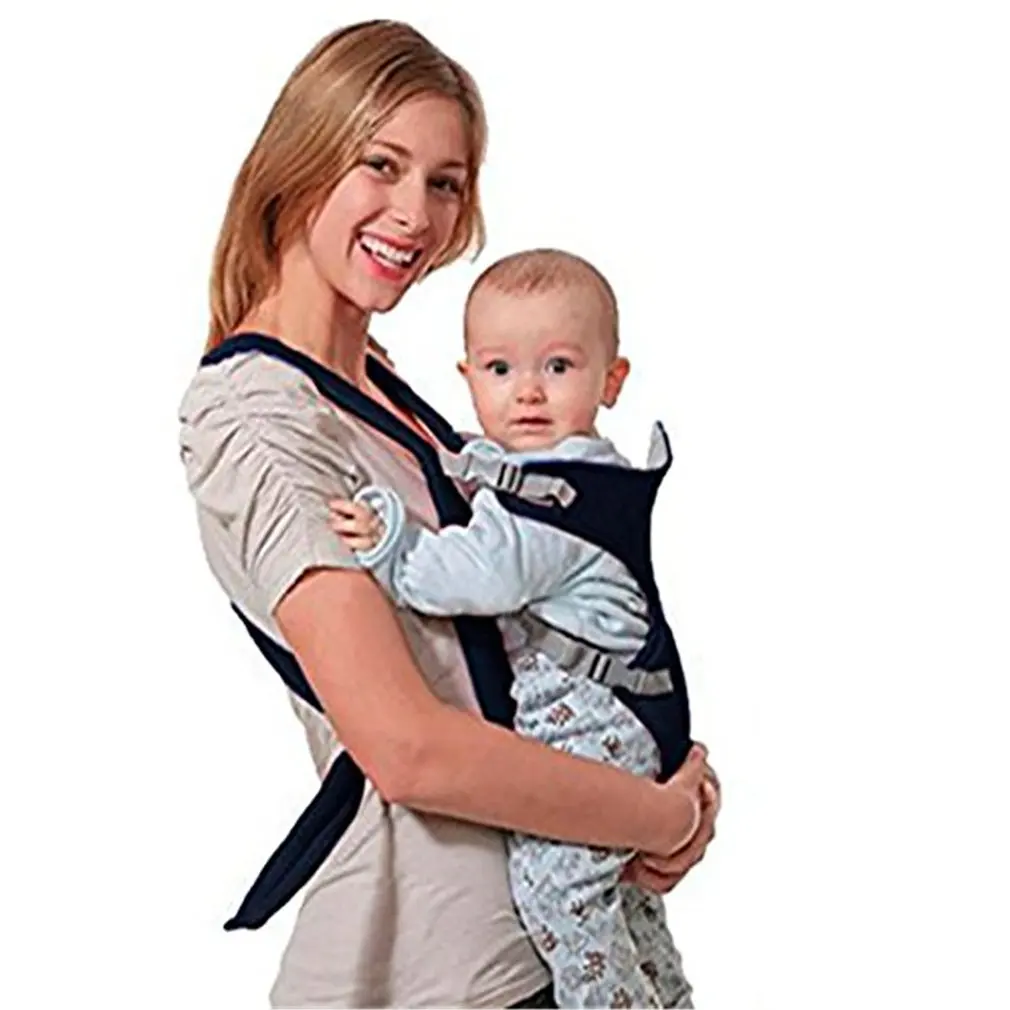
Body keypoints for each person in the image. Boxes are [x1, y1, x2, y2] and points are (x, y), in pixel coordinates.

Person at [177, 19, 721, 1009]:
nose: (414, 213)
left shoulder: (385, 390)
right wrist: (649, 813)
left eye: (444, 182)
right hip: (440, 963)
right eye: (380, 165)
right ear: (300, 158)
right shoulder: (258, 417)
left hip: (539, 930)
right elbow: (407, 746)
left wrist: (662, 775)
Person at [329, 247, 708, 1008]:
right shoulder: (579, 472)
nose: (528, 391)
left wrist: (393, 546)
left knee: (559, 889)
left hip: (591, 725)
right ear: (468, 376)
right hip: (638, 716)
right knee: (623, 896)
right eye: (500, 369)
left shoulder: (543, 507)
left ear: (611, 381)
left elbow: (465, 577)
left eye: (558, 367)